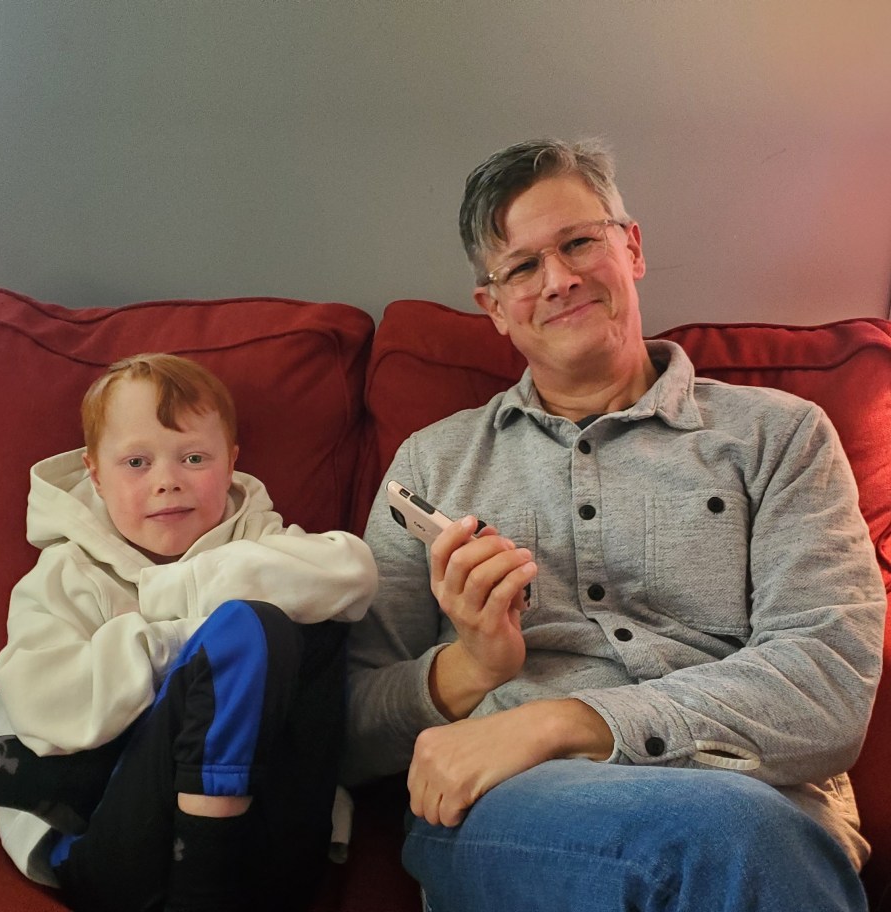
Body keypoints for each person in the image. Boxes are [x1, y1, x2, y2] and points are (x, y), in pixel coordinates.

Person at [344, 139, 886, 911]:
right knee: (731, 843)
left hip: (757, 796)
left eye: (578, 243)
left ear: (631, 248)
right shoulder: (434, 464)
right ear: (492, 308)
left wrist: (562, 722)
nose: (558, 279)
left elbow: (826, 682)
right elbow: (350, 729)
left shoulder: (781, 437)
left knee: (740, 834)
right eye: (522, 267)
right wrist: (473, 665)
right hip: (521, 811)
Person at [0, 353, 378, 912]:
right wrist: (185, 645)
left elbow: (353, 573)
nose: (167, 482)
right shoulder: (66, 573)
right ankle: (107, 797)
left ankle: (79, 779)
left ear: (231, 464)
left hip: (265, 842)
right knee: (254, 628)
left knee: (306, 627)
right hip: (115, 840)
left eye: (194, 458)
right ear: (95, 474)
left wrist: (179, 595)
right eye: (136, 462)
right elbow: (46, 708)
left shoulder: (258, 538)